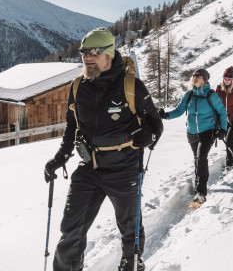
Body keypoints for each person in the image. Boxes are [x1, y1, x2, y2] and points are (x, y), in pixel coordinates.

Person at [44, 27, 163, 271]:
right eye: (83, 53)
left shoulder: (132, 87)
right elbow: (71, 126)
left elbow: (155, 125)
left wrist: (146, 136)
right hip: (90, 166)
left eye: (94, 52)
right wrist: (59, 158)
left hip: (125, 166)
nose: (87, 58)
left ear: (109, 53)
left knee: (130, 227)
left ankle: (130, 263)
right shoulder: (78, 87)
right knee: (71, 227)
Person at [159, 69, 227, 204]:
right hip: (191, 131)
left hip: (208, 130)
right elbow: (179, 110)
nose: (195, 78)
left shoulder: (211, 95)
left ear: (204, 80)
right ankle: (197, 186)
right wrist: (166, 115)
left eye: (198, 76)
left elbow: (222, 113)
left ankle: (201, 191)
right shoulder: (189, 94)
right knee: (196, 159)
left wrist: (223, 129)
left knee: (201, 157)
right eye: (194, 76)